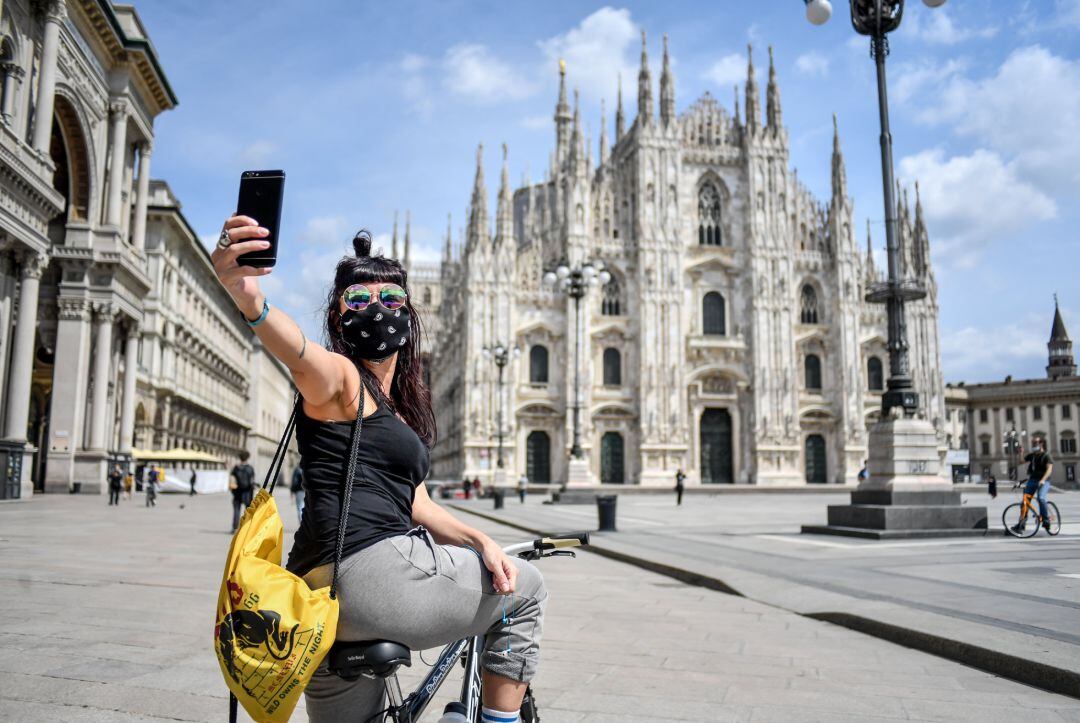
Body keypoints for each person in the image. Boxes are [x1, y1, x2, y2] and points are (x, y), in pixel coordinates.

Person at [213, 222, 547, 722]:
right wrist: (250, 300)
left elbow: (418, 503)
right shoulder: (343, 379)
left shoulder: (392, 407)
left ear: (410, 314)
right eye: (358, 300)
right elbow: (303, 357)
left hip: (313, 594)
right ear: (336, 316)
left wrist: (480, 540)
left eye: (392, 298)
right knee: (527, 592)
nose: (377, 310)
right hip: (372, 572)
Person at [1013, 439, 1054, 533]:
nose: (1033, 445)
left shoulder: (1046, 456)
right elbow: (1021, 462)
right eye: (1032, 443)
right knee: (1024, 502)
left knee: (1041, 498)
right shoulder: (1033, 455)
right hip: (1032, 480)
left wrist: (1043, 480)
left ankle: (1046, 520)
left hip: (1044, 481)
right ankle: (1021, 525)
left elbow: (1049, 470)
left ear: (1041, 444)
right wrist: (1021, 453)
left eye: (1035, 443)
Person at [230, 451, 256, 533]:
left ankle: (234, 527)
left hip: (237, 491)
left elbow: (232, 478)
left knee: (236, 510)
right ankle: (247, 527)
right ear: (247, 458)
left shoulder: (236, 468)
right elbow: (252, 480)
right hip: (247, 492)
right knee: (248, 510)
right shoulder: (250, 468)